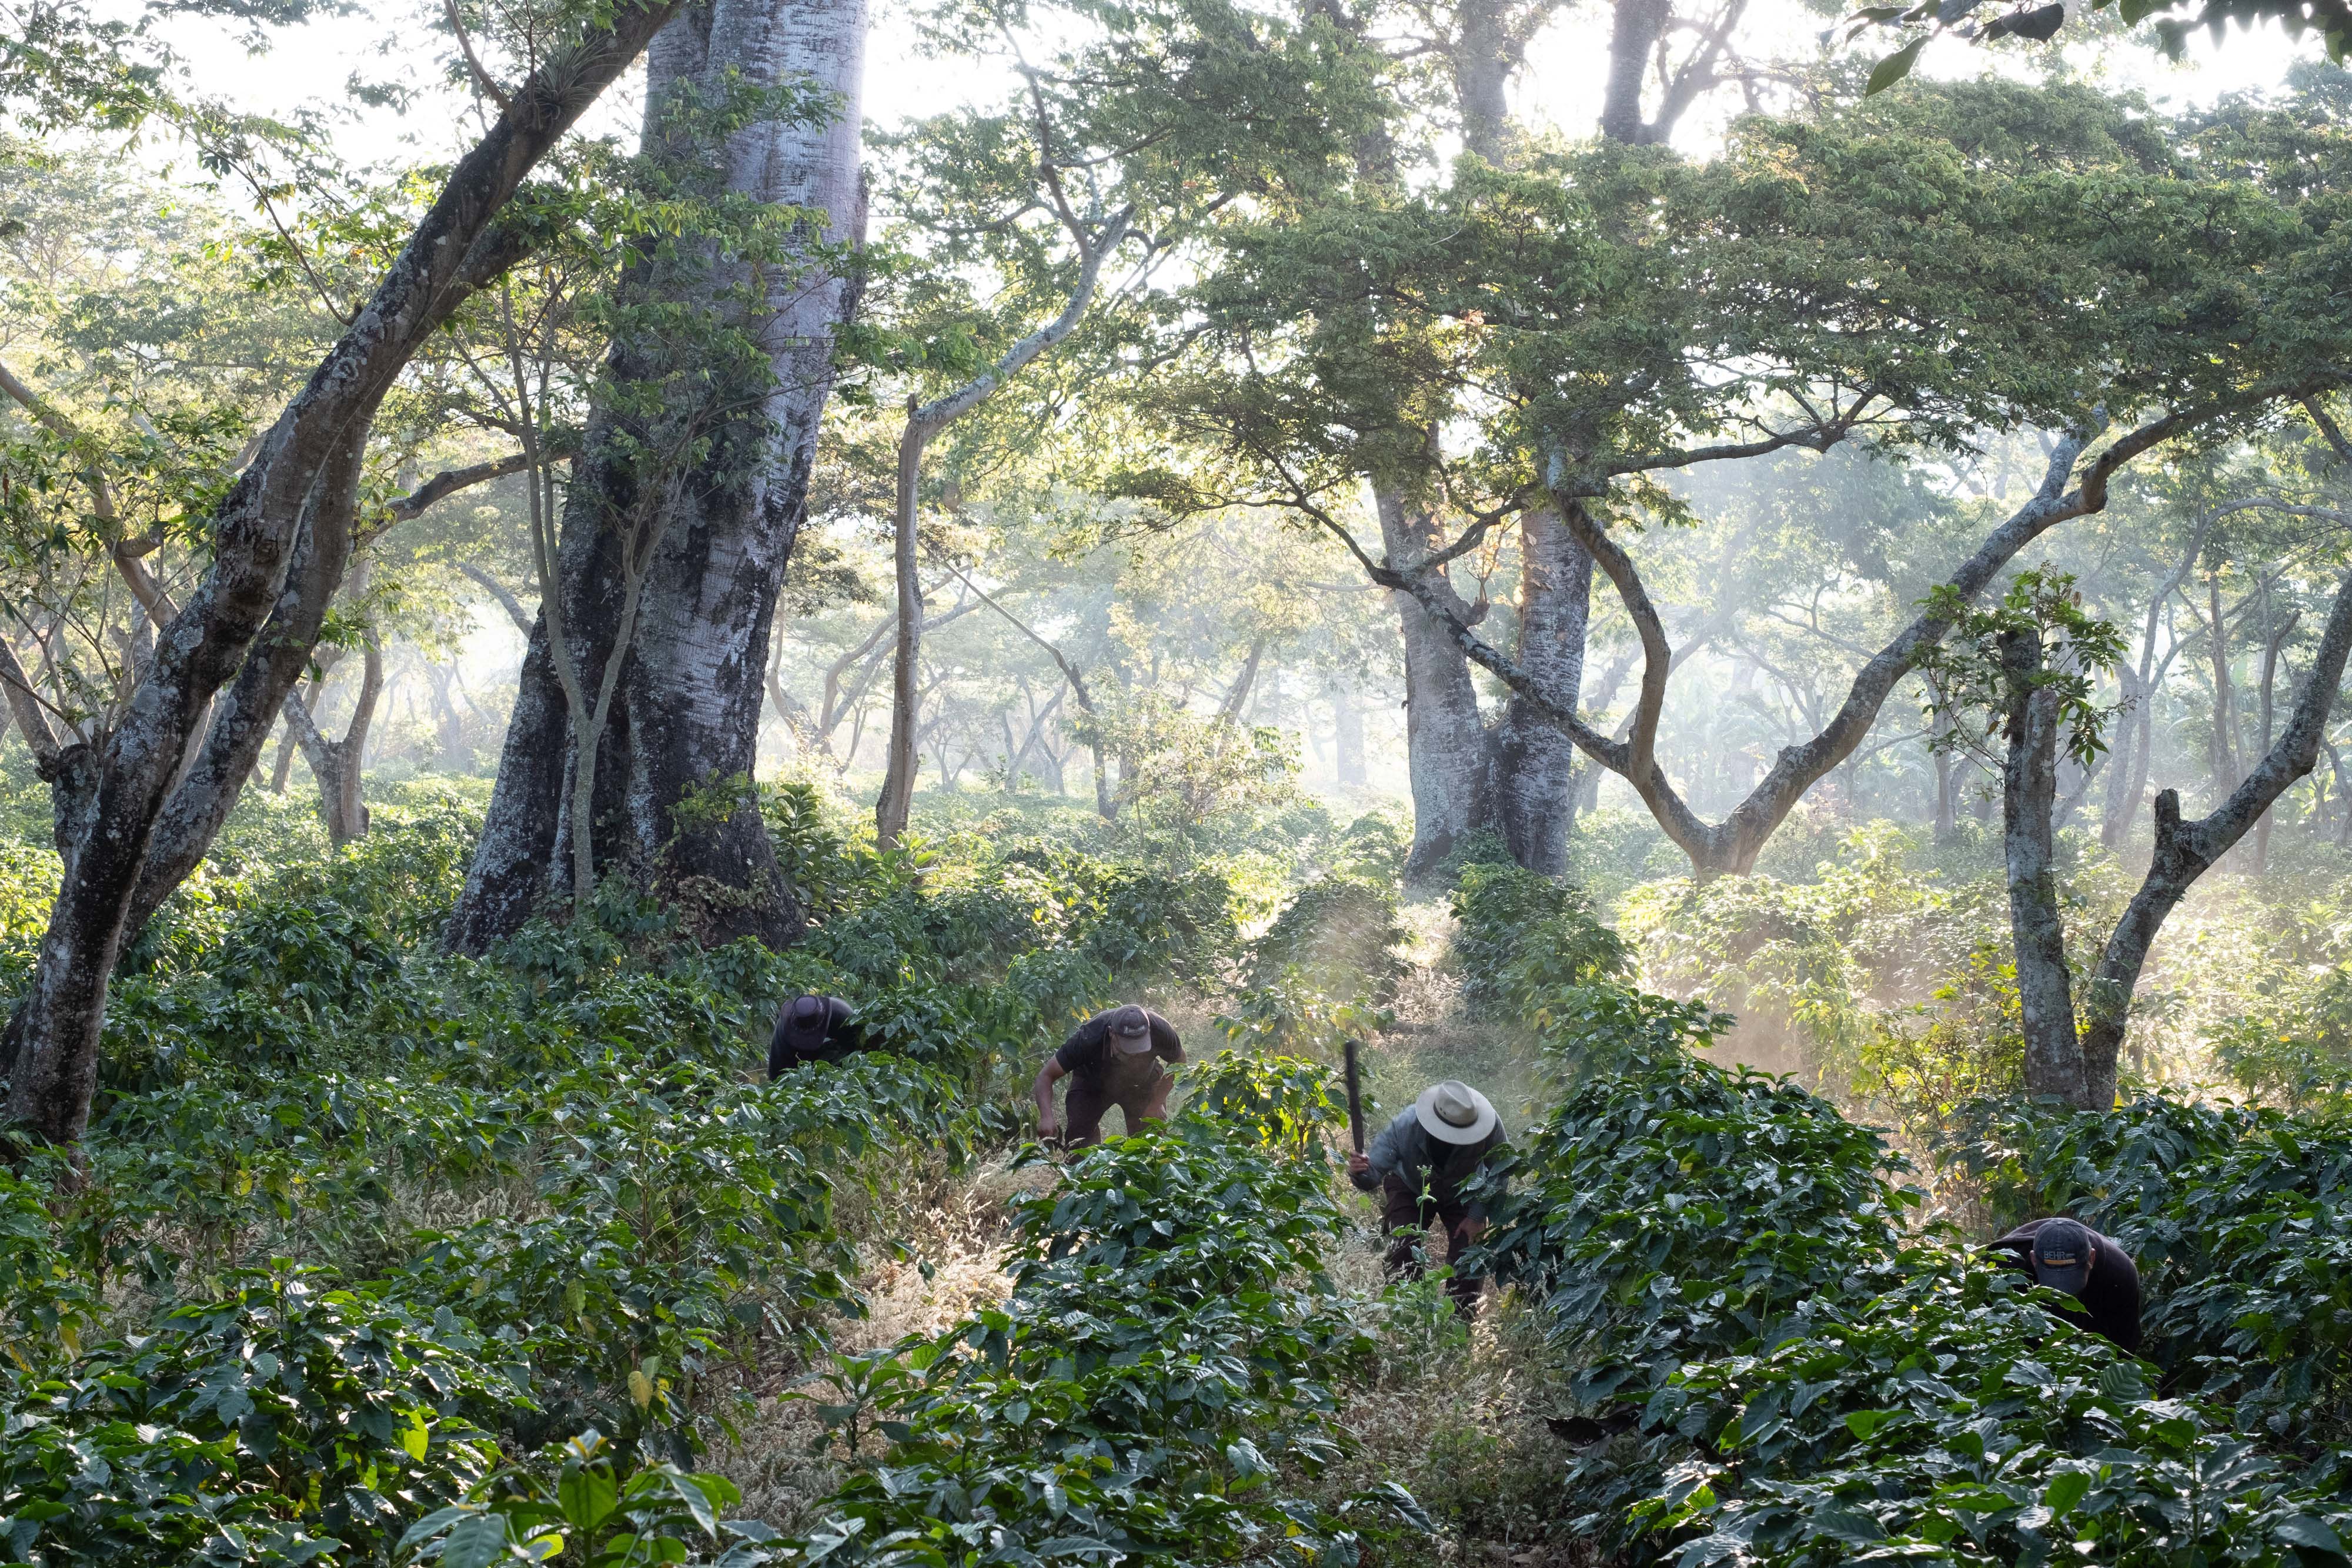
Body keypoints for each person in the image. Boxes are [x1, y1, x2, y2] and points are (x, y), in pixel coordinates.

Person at [1349, 1079, 1507, 1317]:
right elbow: (1372, 1176)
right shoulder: (1406, 1125)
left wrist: (1477, 1216)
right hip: (1410, 1185)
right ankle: (1407, 1315)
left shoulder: (1491, 1125)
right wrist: (1358, 1172)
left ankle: (1458, 1325)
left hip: (1464, 1190)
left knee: (1470, 1255)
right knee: (1403, 1245)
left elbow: (1501, 1169)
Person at [1986, 1215, 2143, 1353]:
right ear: (2034, 1260)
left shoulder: (2119, 1273)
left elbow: (2124, 1346)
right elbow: (1990, 1331)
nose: (2063, 1295)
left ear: (2092, 1258)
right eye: (2053, 1279)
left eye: (2071, 1279)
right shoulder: (2006, 1264)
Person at [1034, 1004, 1184, 1148]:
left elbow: (1180, 1061)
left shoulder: (1160, 1030)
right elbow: (1046, 1076)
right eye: (1128, 1051)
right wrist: (1046, 1117)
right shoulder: (1089, 1037)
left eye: (1140, 1050)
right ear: (1112, 1033)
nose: (1135, 1056)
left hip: (1143, 1083)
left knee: (1150, 1141)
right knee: (1079, 1144)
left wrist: (1157, 1102)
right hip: (1091, 1084)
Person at [767, 993, 876, 1078]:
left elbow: (859, 1046)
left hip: (839, 1057)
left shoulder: (843, 1015)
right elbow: (777, 1071)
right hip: (801, 1066)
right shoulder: (784, 1031)